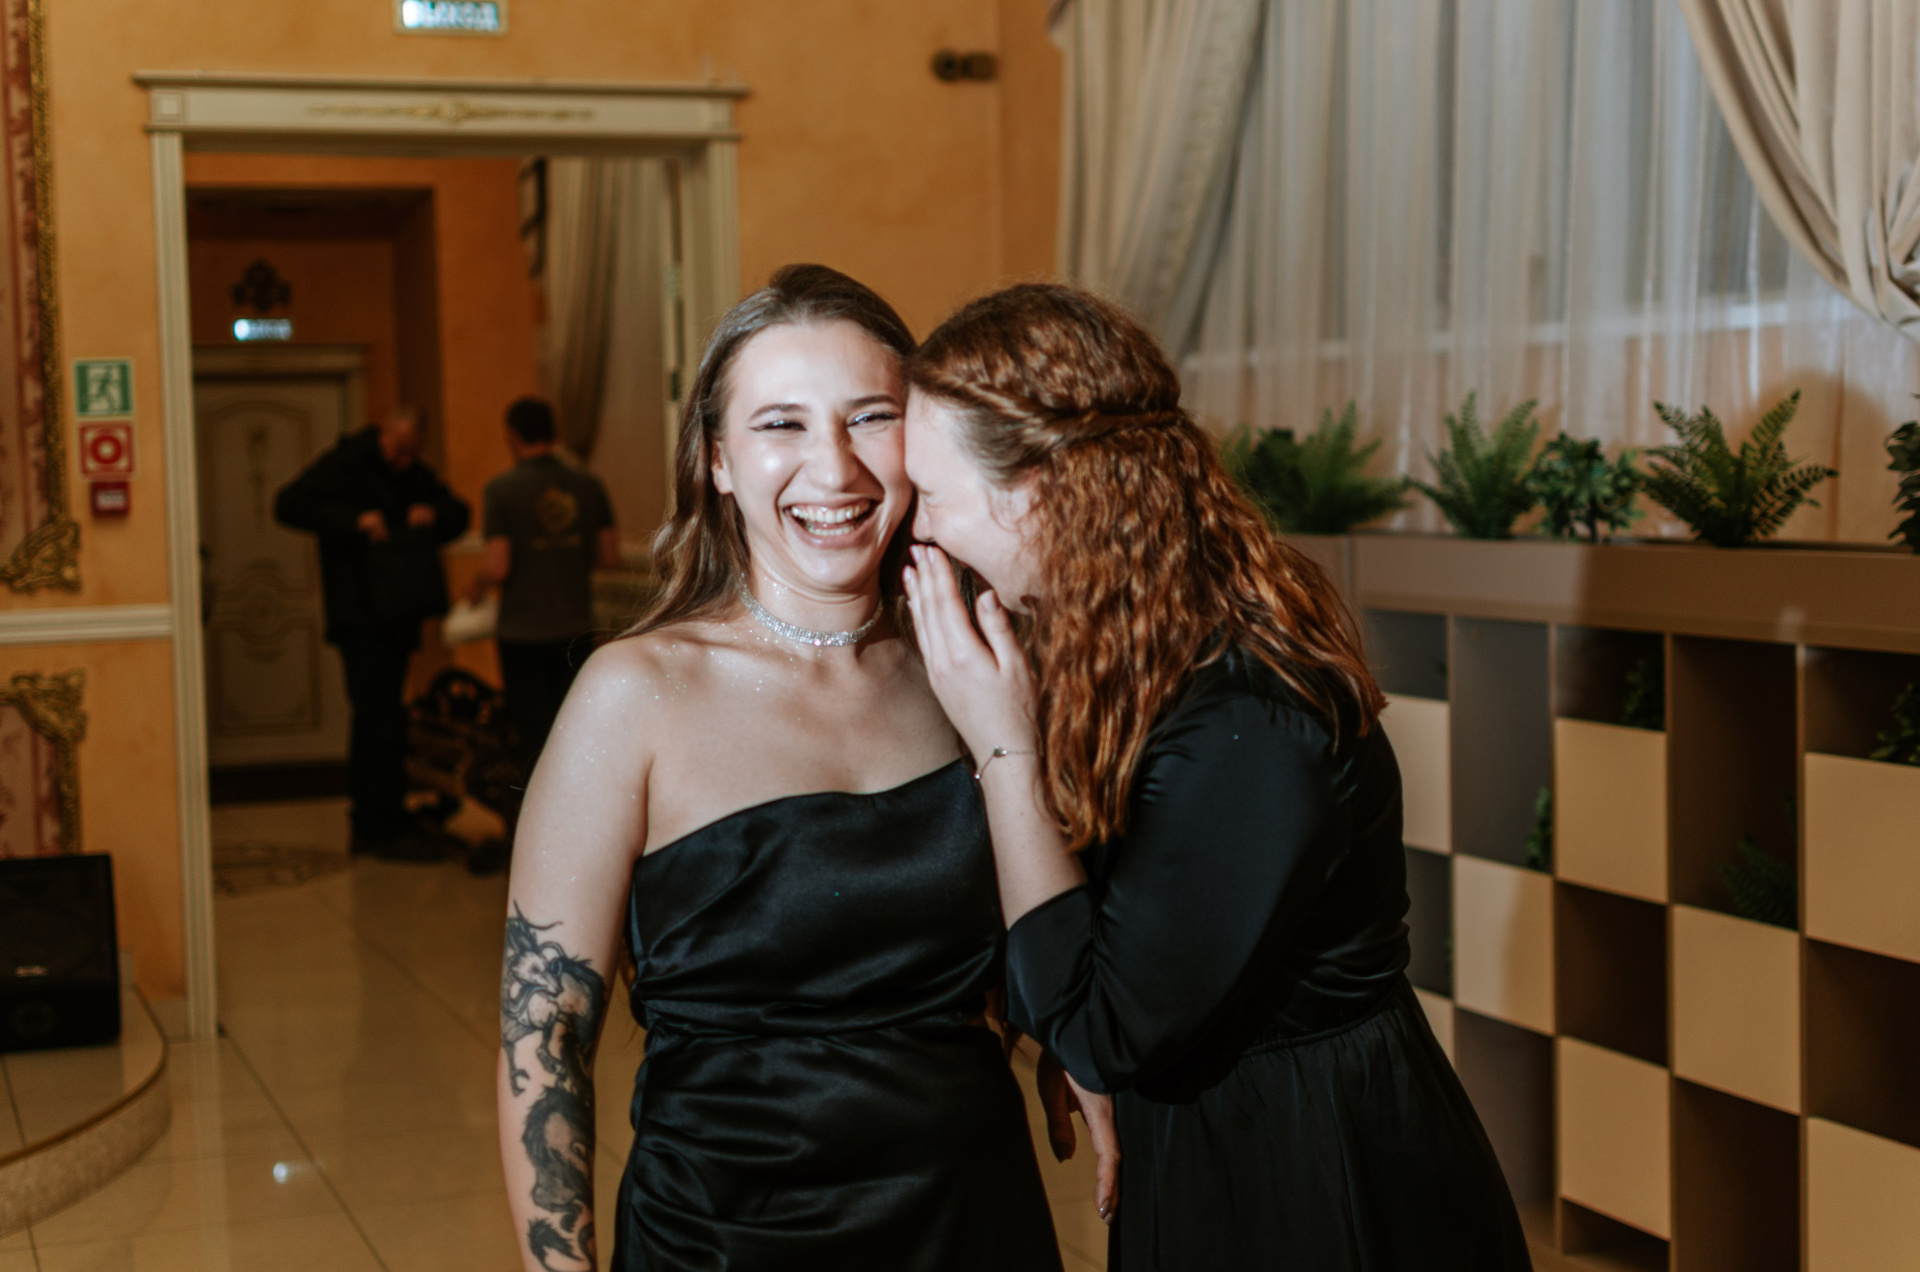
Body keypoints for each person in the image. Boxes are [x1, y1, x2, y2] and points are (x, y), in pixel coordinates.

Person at [901, 284, 1534, 1270]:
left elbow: (1101, 1029)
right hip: (1216, 1138)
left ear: (1038, 491)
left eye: (932, 496)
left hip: (1310, 1165)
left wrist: (1004, 750)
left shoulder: (1249, 712)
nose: (923, 533)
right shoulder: (1128, 643)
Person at [496, 265, 1091, 1272]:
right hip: (724, 1237)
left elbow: (1051, 936)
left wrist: (1070, 1041)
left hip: (972, 1218)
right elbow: (543, 1034)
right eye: (781, 424)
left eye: (871, 418)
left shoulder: (977, 664)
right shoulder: (634, 692)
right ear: (718, 460)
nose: (835, 468)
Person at [276, 405, 470, 861]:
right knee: (377, 718)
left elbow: (458, 513)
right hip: (359, 614)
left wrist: (432, 514)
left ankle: (377, 818)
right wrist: (354, 521)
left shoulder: (412, 474)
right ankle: (378, 822)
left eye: (412, 454)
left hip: (397, 612)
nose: (405, 462)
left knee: (382, 719)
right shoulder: (346, 466)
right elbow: (289, 504)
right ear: (385, 433)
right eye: (399, 452)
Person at [469, 396, 618, 784]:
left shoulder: (501, 490)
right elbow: (609, 556)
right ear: (554, 433)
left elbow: (498, 565)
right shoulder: (588, 485)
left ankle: (537, 813)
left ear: (512, 435)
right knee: (576, 731)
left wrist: (475, 586)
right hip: (576, 626)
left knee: (534, 738)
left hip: (523, 633)